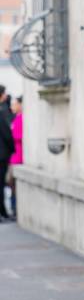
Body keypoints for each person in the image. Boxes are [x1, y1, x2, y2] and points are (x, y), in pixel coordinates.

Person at [0, 85, 15, 222]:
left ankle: (3, 212)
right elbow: (7, 134)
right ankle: (3, 213)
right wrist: (12, 149)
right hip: (2, 154)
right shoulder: (2, 111)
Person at [8, 96, 24, 218]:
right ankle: (14, 208)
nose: (12, 106)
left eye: (15, 104)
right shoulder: (16, 118)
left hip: (18, 155)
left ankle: (15, 208)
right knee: (12, 184)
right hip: (14, 155)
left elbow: (18, 136)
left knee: (14, 183)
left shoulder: (21, 118)